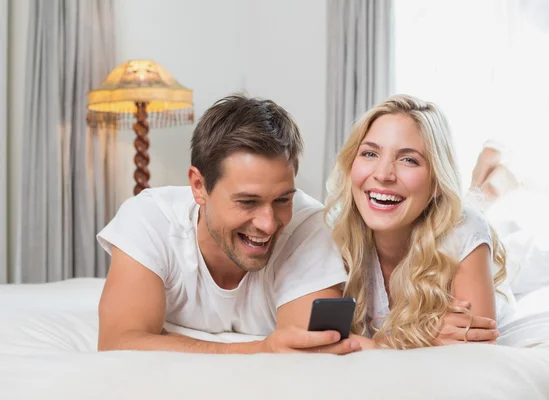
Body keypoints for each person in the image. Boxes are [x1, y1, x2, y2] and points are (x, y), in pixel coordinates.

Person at [96, 94, 499, 355]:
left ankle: (489, 180)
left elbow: (308, 352)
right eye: (248, 202)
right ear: (198, 186)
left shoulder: (312, 226)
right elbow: (118, 340)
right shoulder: (344, 229)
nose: (270, 224)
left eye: (283, 199)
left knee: (478, 209)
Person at [325, 94, 516, 350]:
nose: (382, 174)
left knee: (475, 210)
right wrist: (418, 338)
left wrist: (378, 344)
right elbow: (322, 339)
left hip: (458, 225)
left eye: (408, 159)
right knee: (473, 201)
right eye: (370, 153)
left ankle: (494, 182)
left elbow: (477, 344)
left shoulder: (465, 232)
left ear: (437, 181)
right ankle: (483, 181)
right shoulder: (337, 231)